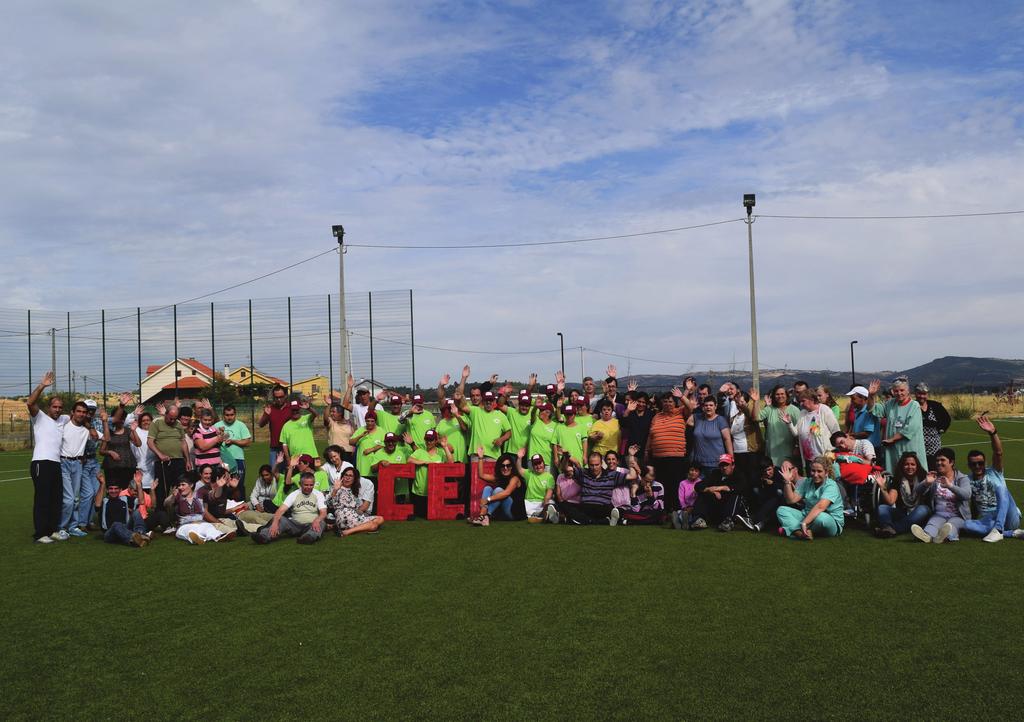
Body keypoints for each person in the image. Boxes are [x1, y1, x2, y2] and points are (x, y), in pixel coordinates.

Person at [961, 416, 1024, 542]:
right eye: (974, 464)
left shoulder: (995, 472)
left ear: (985, 463)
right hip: (988, 520)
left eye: (980, 463)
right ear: (969, 465)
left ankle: (999, 529)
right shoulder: (967, 480)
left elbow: (998, 453)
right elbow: (970, 503)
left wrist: (993, 433)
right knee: (966, 525)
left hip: (1008, 515)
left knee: (1001, 488)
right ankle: (1011, 533)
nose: (977, 466)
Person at [26, 372, 65, 543]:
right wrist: (42, 385)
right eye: (54, 407)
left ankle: (52, 530)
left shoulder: (62, 421)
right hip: (41, 462)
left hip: (56, 463)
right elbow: (30, 402)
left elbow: (80, 417)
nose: (57, 410)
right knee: (42, 499)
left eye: (59, 407)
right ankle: (40, 534)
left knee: (56, 499)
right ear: (49, 407)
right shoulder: (40, 417)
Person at [558, 450, 638, 526]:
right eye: (591, 465)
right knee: (563, 504)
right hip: (586, 507)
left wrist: (631, 456)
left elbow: (632, 476)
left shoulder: (611, 475)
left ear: (601, 463)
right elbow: (566, 469)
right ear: (588, 464)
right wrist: (566, 457)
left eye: (597, 465)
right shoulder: (583, 472)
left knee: (618, 510)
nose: (594, 468)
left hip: (602, 508)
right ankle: (599, 521)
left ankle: (583, 521)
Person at [910, 447, 972, 544]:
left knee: (951, 527)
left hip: (958, 516)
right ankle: (927, 536)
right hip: (938, 515)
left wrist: (950, 486)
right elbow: (917, 491)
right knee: (931, 526)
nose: (939, 463)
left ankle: (947, 537)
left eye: (942, 460)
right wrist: (926, 483)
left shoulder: (962, 478)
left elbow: (966, 495)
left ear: (951, 462)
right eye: (937, 460)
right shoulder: (934, 477)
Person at [648, 385, 695, 511]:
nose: (667, 403)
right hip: (658, 457)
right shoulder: (656, 417)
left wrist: (681, 396)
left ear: (674, 403)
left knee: (675, 484)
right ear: (661, 403)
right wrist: (647, 451)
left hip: (676, 457)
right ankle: (664, 510)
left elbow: (691, 407)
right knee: (662, 484)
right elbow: (651, 435)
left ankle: (676, 510)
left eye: (670, 401)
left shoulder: (680, 412)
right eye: (665, 401)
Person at [777, 456, 845, 540]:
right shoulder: (807, 482)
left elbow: (821, 506)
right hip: (806, 515)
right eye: (813, 471)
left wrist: (804, 523)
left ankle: (793, 529)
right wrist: (787, 482)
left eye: (819, 471)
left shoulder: (831, 485)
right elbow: (791, 500)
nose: (815, 475)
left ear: (826, 472)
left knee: (821, 518)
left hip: (829, 521)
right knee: (781, 510)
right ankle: (801, 534)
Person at [872, 378, 927, 476]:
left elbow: (910, 428)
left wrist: (892, 439)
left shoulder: (914, 406)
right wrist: (871, 395)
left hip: (909, 448)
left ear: (908, 391)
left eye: (902, 390)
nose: (899, 393)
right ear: (893, 391)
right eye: (896, 391)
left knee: (912, 476)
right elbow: (874, 409)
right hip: (893, 450)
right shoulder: (890, 404)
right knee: (895, 477)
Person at [254, 471, 328, 545]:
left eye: (311, 485)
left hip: (311, 525)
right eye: (306, 485)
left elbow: (323, 512)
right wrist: (275, 523)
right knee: (281, 519)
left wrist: (317, 520)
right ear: (300, 484)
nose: (309, 487)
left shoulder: (318, 494)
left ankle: (308, 537)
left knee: (322, 522)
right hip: (295, 525)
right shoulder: (294, 494)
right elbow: (281, 510)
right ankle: (263, 536)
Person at [55, 399, 93, 538]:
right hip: (63, 462)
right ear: (72, 412)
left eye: (84, 412)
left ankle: (73, 526)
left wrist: (92, 426)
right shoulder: (63, 426)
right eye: (78, 411)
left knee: (76, 498)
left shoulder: (85, 430)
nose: (81, 414)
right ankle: (61, 527)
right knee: (69, 499)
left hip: (78, 464)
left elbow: (102, 437)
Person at [875, 452, 931, 537]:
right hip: (903, 512)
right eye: (906, 464)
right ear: (902, 466)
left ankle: (890, 529)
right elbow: (890, 501)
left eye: (913, 464)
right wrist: (883, 487)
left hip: (919, 512)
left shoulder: (923, 477)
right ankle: (889, 527)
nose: (910, 467)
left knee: (922, 509)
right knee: (882, 508)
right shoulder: (898, 479)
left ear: (917, 466)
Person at [148, 402, 190, 513]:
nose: (172, 421)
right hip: (163, 462)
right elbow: (150, 442)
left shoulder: (178, 424)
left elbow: (183, 442)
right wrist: (160, 454)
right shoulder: (156, 423)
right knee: (162, 489)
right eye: (170, 418)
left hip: (179, 461)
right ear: (165, 414)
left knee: (180, 488)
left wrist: (188, 460)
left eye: (175, 419)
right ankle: (161, 515)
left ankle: (179, 513)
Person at [171, 473, 236, 544]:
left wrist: (219, 487)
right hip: (185, 526)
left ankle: (218, 537)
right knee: (189, 531)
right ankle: (196, 538)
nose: (180, 487)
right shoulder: (178, 497)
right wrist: (173, 496)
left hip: (201, 523)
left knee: (209, 529)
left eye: (183, 485)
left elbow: (214, 496)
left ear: (191, 485)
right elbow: (167, 503)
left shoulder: (199, 494)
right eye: (179, 485)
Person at [469, 449, 525, 525]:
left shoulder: (515, 478)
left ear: (512, 467)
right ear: (499, 467)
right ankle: (482, 516)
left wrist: (488, 499)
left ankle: (485, 516)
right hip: (503, 512)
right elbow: (481, 475)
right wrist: (481, 458)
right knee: (487, 488)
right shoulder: (499, 478)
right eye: (503, 466)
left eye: (508, 466)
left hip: (515, 513)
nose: (505, 468)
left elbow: (507, 493)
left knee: (499, 490)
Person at [324, 466, 384, 537]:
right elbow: (329, 504)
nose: (347, 478)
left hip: (355, 515)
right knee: (373, 525)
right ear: (342, 476)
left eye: (350, 476)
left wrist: (360, 512)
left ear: (354, 479)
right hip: (343, 517)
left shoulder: (353, 491)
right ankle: (347, 532)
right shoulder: (337, 488)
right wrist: (335, 490)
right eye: (346, 475)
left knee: (380, 519)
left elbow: (357, 507)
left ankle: (339, 528)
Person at [691, 454, 744, 531]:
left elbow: (741, 488)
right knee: (703, 492)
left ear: (733, 465)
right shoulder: (715, 473)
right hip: (716, 507)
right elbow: (698, 486)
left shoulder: (739, 474)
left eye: (727, 465)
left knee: (736, 495)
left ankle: (729, 521)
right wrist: (709, 489)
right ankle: (698, 519)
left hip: (731, 507)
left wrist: (720, 488)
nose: (724, 468)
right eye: (722, 465)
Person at [408, 430, 454, 519]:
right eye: (427, 440)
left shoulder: (440, 452)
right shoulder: (420, 451)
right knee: (420, 515)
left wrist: (445, 447)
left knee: (434, 515)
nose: (428, 442)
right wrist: (424, 462)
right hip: (420, 492)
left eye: (431, 440)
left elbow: (451, 463)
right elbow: (409, 460)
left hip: (436, 492)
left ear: (436, 440)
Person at [94, 475, 150, 548]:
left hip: (125, 528)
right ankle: (134, 538)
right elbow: (97, 504)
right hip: (109, 532)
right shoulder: (104, 501)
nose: (113, 491)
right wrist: (102, 484)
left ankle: (141, 534)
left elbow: (141, 502)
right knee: (116, 524)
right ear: (107, 490)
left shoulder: (125, 499)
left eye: (116, 489)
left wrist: (139, 484)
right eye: (111, 489)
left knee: (136, 512)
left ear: (120, 490)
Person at [753, 385, 799, 467]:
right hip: (772, 450)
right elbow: (756, 418)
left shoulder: (794, 410)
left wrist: (797, 446)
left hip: (789, 449)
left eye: (782, 394)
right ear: (773, 396)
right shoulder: (769, 409)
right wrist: (755, 402)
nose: (780, 396)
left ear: (787, 395)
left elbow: (799, 430)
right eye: (777, 394)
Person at [794, 389, 840, 469]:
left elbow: (835, 431)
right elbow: (797, 432)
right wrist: (788, 423)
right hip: (809, 459)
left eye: (803, 401)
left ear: (811, 399)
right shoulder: (802, 413)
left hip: (825, 456)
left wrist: (834, 451)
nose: (801, 404)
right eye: (800, 401)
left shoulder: (824, 410)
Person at [460, 390, 511, 462]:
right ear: (482, 401)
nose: (488, 402)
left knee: (492, 474)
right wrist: (460, 393)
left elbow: (509, 432)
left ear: (494, 401)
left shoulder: (500, 415)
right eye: (486, 400)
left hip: (493, 455)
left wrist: (501, 439)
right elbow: (462, 406)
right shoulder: (475, 411)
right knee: (476, 474)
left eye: (490, 400)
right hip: (476, 454)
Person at [689, 394, 732, 478]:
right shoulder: (696, 418)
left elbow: (727, 439)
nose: (708, 407)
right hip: (698, 464)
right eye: (706, 405)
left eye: (711, 405)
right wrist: (691, 406)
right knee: (699, 489)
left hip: (716, 464)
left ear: (715, 406)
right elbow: (685, 418)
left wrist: (731, 459)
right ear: (702, 407)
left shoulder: (721, 420)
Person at [99, 405, 140, 488]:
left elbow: (138, 444)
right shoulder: (108, 432)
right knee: (113, 489)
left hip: (128, 465)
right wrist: (110, 452)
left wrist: (134, 431)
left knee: (127, 489)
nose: (121, 420)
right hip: (112, 466)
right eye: (119, 418)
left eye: (123, 418)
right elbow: (101, 451)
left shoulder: (128, 431)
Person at [215, 404, 252, 493]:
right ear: (223, 415)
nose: (229, 417)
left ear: (235, 414)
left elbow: (248, 442)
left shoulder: (241, 425)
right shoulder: (217, 426)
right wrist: (220, 435)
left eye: (232, 415)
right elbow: (212, 442)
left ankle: (240, 504)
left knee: (238, 484)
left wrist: (233, 441)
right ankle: (226, 505)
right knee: (224, 483)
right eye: (227, 415)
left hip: (238, 459)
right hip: (223, 460)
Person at [618, 458, 665, 526]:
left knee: (658, 514)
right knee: (626, 511)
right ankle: (629, 520)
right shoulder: (637, 486)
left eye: (651, 476)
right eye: (646, 480)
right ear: (642, 477)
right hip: (641, 513)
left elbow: (659, 507)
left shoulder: (659, 486)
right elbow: (636, 510)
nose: (648, 483)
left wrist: (650, 496)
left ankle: (627, 520)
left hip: (653, 512)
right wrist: (633, 494)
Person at [515, 450, 558, 523]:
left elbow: (548, 495)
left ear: (543, 463)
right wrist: (519, 458)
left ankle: (543, 515)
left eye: (540, 463)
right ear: (532, 466)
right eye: (535, 464)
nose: (538, 466)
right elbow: (519, 469)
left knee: (551, 504)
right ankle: (544, 516)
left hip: (543, 502)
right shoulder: (529, 473)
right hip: (529, 502)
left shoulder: (549, 477)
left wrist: (545, 506)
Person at [914, 383, 951, 470]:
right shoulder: (912, 406)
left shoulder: (935, 406)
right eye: (919, 393)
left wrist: (942, 429)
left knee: (935, 470)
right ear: (915, 393)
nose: (922, 396)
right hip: (918, 447)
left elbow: (947, 419)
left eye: (924, 394)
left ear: (927, 394)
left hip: (934, 447)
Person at [258, 384, 293, 468]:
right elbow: (261, 424)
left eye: (281, 397)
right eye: (276, 397)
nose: (278, 399)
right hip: (275, 447)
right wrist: (266, 414)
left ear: (286, 396)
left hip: (290, 447)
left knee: (290, 473)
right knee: (274, 474)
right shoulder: (270, 408)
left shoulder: (291, 408)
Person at [279, 399, 318, 466]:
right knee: (296, 476)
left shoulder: (307, 418)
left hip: (311, 454)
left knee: (314, 475)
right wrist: (288, 460)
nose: (295, 412)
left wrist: (309, 408)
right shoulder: (286, 426)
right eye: (293, 410)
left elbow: (315, 414)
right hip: (295, 458)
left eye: (297, 410)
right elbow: (284, 444)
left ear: (300, 409)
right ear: (290, 411)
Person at [350, 410, 386, 479]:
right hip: (362, 468)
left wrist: (372, 449)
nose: (370, 423)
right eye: (368, 421)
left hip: (375, 467)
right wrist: (360, 436)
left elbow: (385, 444)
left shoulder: (381, 431)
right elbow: (351, 442)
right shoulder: (361, 430)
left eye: (372, 421)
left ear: (375, 421)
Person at [527, 401, 558, 471]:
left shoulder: (555, 426)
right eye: (540, 410)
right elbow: (532, 414)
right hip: (532, 459)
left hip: (547, 461)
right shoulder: (536, 421)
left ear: (548, 413)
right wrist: (535, 407)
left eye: (542, 410)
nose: (540, 412)